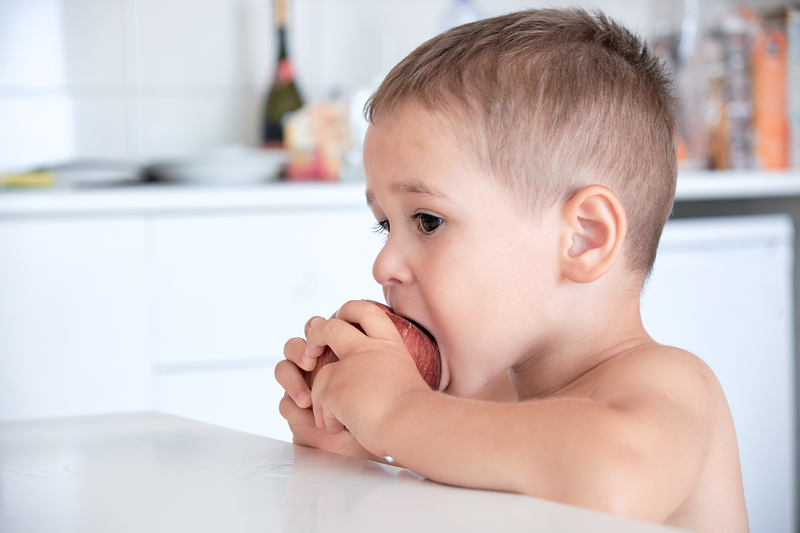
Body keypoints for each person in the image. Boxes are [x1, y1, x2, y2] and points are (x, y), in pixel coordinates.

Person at [274, 8, 748, 532]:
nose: (383, 263)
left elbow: (610, 478)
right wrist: (354, 445)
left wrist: (395, 413)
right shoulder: (479, 405)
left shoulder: (670, 386)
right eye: (385, 225)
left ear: (584, 238)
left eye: (427, 221)